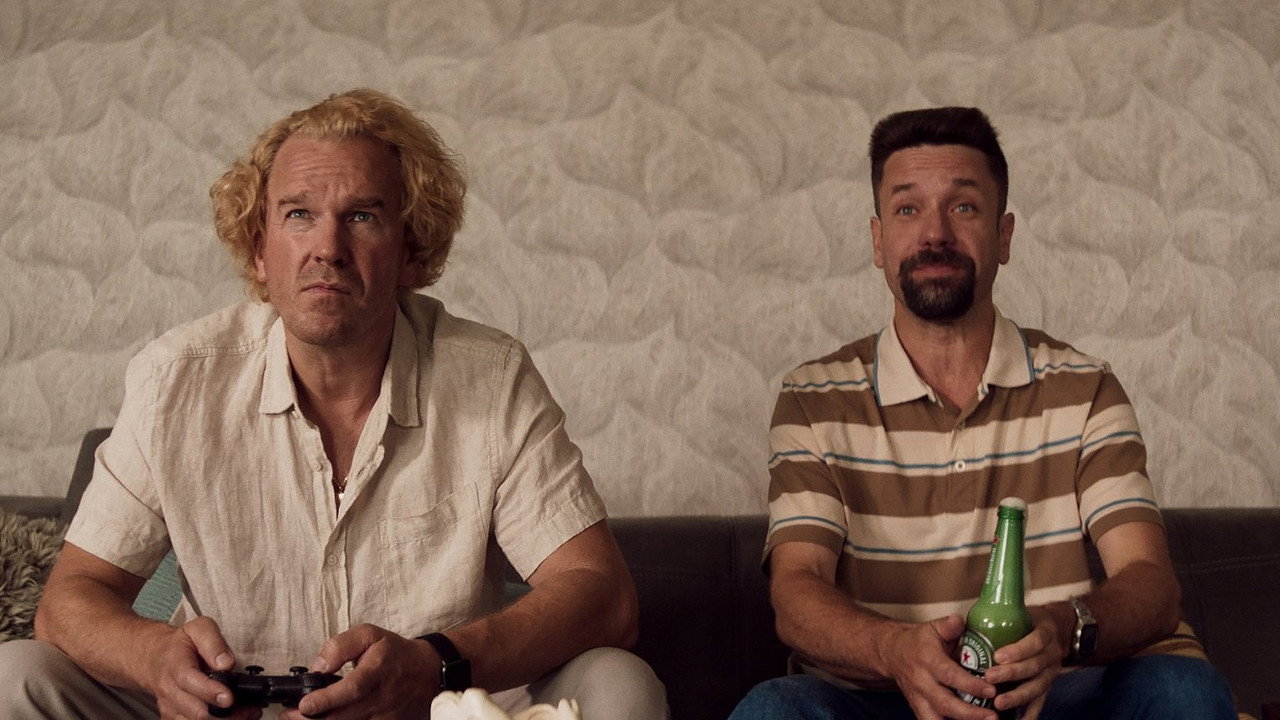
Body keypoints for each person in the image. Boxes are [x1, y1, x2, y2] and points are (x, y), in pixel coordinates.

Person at [0, 89, 667, 720]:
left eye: (362, 217)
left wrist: (437, 663)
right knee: (16, 676)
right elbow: (69, 600)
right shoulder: (175, 380)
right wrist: (154, 660)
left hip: (431, 707)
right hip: (225, 713)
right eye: (299, 214)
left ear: (410, 252)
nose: (327, 248)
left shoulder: (490, 379)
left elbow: (603, 594)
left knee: (619, 683)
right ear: (259, 251)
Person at [728, 107, 1236, 720]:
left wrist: (1060, 628)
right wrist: (894, 650)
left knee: (1183, 689)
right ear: (878, 241)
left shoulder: (1086, 388)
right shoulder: (812, 399)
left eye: (964, 207)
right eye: (907, 209)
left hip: (1052, 697)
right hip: (881, 700)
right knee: (774, 709)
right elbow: (796, 590)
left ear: (1004, 236)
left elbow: (1150, 579)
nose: (934, 233)